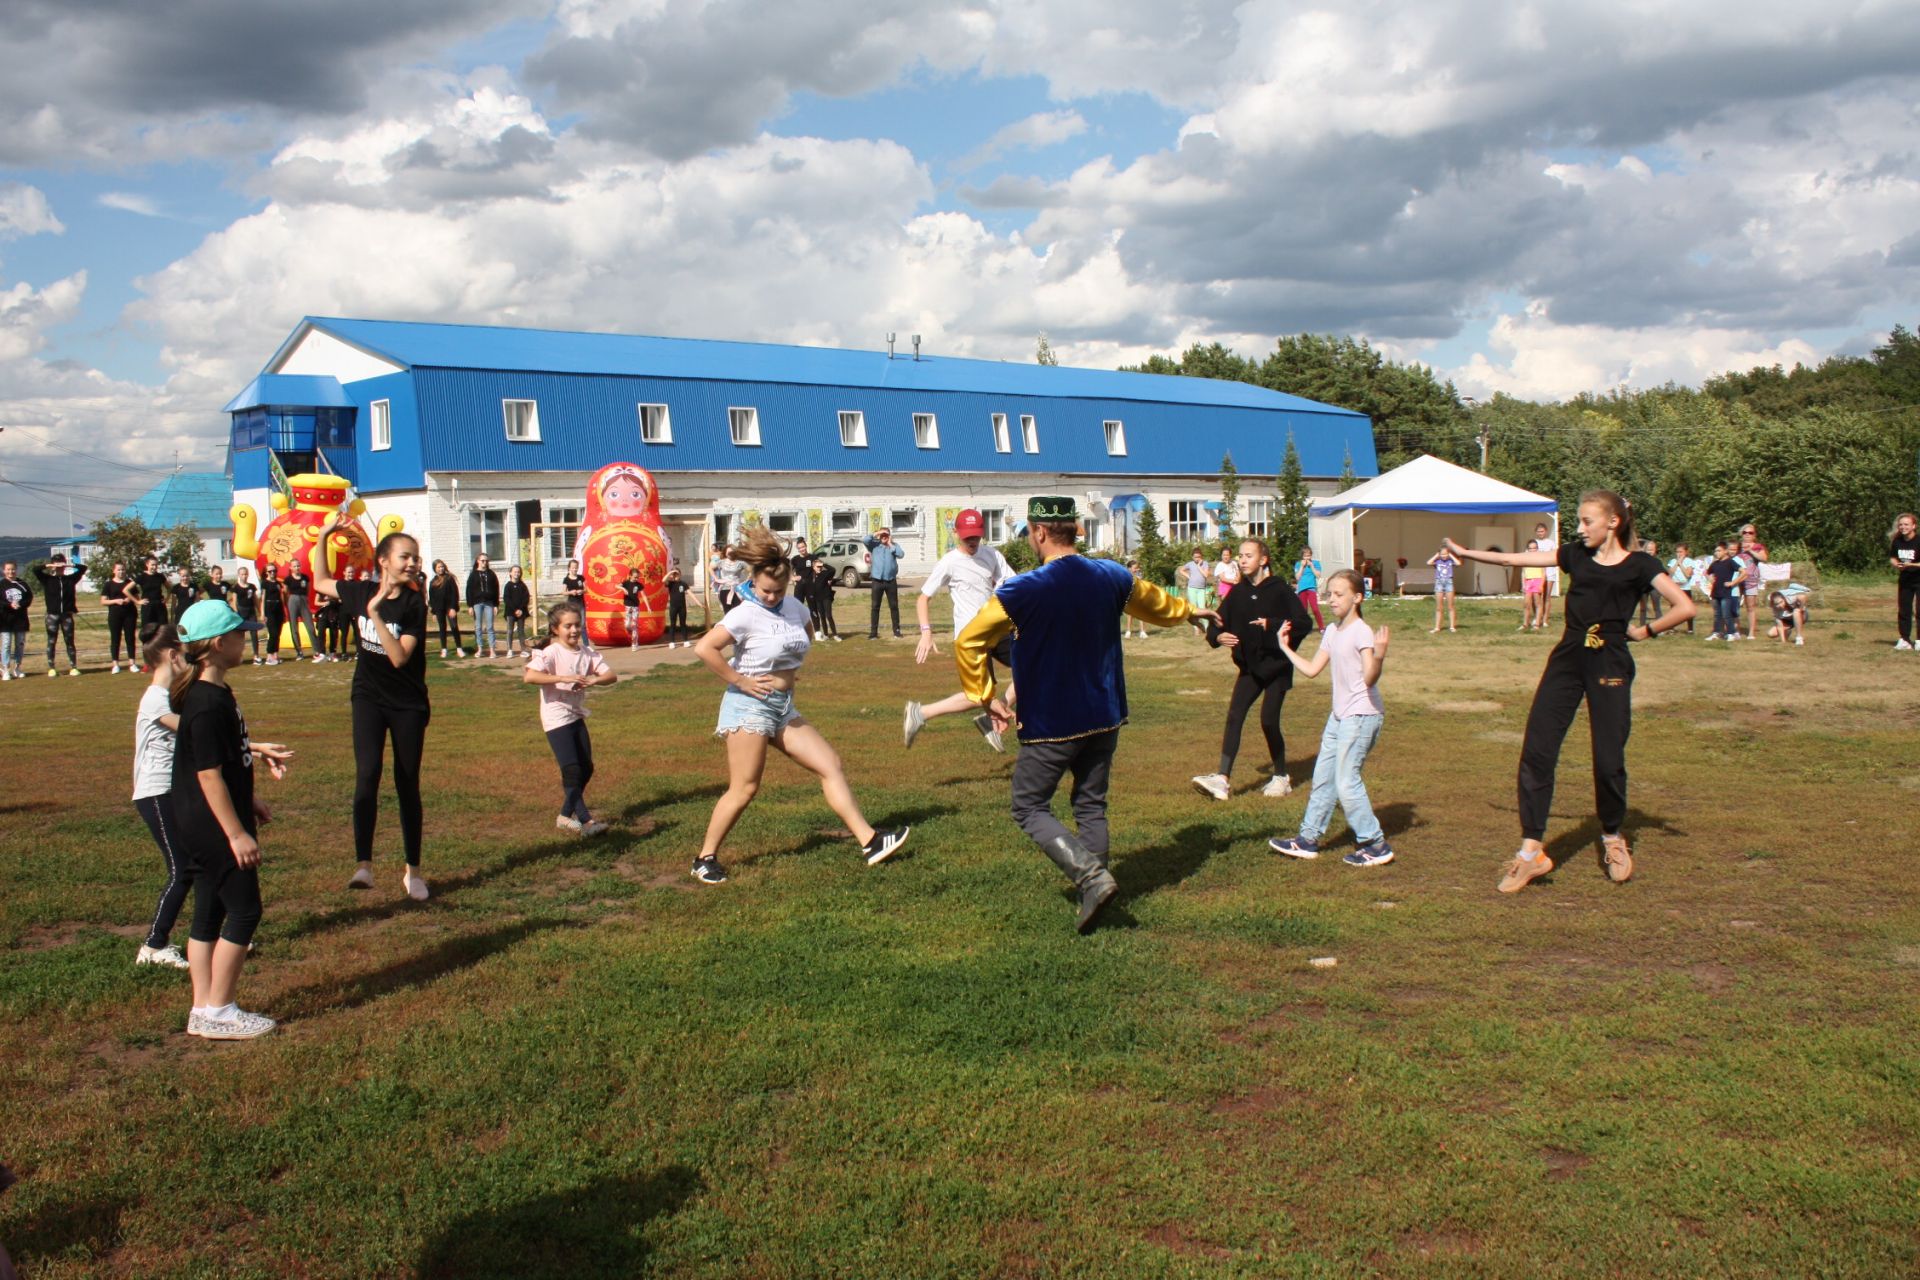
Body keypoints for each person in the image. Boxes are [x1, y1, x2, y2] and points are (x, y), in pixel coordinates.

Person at [955, 496, 1214, 932]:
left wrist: (985, 694)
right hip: (1105, 715)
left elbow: (968, 642)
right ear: (1074, 529)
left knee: (1028, 806)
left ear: (1039, 533)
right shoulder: (1111, 575)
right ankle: (1097, 890)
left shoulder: (1022, 590)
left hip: (1053, 720)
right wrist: (1192, 611)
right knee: (1091, 805)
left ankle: (1091, 878)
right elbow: (1156, 603)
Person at [1442, 490, 1695, 894]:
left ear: (1613, 522)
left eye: (1587, 521)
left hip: (1610, 661)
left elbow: (1685, 606)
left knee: (1608, 758)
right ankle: (1531, 853)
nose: (1579, 529)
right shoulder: (1575, 556)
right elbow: (1514, 560)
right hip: (1567, 658)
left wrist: (1644, 631)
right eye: (1578, 521)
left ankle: (1612, 836)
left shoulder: (1640, 565)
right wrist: (1466, 551)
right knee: (1538, 750)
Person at [688, 525, 909, 884]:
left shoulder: (794, 606)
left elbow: (805, 634)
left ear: (789, 583)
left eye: (778, 590)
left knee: (830, 764)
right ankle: (704, 858)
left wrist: (789, 670)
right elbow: (705, 649)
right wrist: (741, 679)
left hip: (782, 706)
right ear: (753, 583)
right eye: (765, 591)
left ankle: (870, 841)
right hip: (749, 706)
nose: (771, 597)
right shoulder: (745, 613)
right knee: (745, 787)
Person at [169, 599, 290, 1039]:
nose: (248, 637)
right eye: (241, 633)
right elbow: (207, 774)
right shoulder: (205, 703)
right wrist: (237, 832)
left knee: (208, 912)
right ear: (219, 644)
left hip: (204, 823)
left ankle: (203, 1008)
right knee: (245, 911)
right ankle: (220, 1011)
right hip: (214, 827)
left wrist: (250, 798)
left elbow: (229, 760)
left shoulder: (215, 695)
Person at [312, 515, 432, 901]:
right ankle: (363, 865)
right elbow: (319, 581)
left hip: (408, 704)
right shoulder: (358, 590)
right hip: (368, 696)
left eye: (415, 557)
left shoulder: (414, 604)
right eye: (405, 557)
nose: (412, 563)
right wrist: (326, 536)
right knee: (367, 775)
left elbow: (398, 658)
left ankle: (413, 871)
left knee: (406, 782)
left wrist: (376, 614)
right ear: (383, 560)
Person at [1267, 570, 1394, 867]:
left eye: (1339, 594)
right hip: (1339, 717)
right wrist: (1284, 646)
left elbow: (1369, 678)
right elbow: (1312, 670)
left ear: (1357, 598)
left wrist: (1379, 656)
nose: (1331, 599)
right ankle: (1308, 839)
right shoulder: (1333, 631)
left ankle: (1375, 844)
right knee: (1323, 778)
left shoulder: (1361, 631)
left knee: (1347, 781)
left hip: (1362, 715)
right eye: (1329, 594)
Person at [1191, 538, 1316, 801]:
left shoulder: (1280, 589)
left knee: (1268, 720)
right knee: (1235, 715)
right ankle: (1222, 780)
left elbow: (1304, 622)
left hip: (1277, 669)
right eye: (1240, 555)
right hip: (1250, 669)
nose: (1242, 560)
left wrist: (1273, 624)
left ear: (1263, 559)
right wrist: (1217, 638)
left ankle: (1281, 777)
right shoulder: (1237, 593)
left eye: (1249, 555)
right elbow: (1216, 623)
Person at [903, 508, 1014, 752]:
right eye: (967, 537)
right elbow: (923, 598)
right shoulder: (949, 563)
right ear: (956, 533)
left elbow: (1011, 582)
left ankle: (990, 716)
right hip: (970, 639)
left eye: (976, 536)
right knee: (978, 695)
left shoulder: (992, 555)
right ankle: (921, 712)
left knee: (1031, 666)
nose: (972, 541)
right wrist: (926, 632)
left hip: (996, 630)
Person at [524, 601, 617, 835]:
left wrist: (595, 679)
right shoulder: (551, 652)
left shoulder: (586, 652)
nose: (574, 630)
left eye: (577, 625)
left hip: (576, 715)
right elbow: (530, 676)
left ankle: (565, 815)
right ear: (556, 629)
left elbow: (611, 675)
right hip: (555, 716)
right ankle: (586, 822)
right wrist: (564, 677)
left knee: (586, 767)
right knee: (573, 769)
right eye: (568, 626)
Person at [132, 624, 192, 968]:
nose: (189, 659)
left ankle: (217, 935)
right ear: (172, 655)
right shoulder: (156, 697)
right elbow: (193, 731)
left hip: (170, 790)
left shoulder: (167, 695)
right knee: (181, 868)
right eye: (185, 652)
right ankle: (153, 946)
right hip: (155, 793)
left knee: (195, 863)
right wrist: (252, 746)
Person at [32, 553, 84, 676]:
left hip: (66, 615)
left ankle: (73, 667)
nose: (59, 566)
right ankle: (51, 668)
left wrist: (68, 564)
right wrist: (49, 565)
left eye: (61, 563)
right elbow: (36, 570)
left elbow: (83, 568)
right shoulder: (47, 579)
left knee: (69, 641)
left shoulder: (70, 579)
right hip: (52, 615)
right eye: (57, 563)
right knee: (51, 641)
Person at [864, 527, 906, 638]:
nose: (884, 537)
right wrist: (877, 533)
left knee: (894, 606)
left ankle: (896, 631)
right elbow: (865, 540)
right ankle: (873, 633)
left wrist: (890, 544)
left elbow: (901, 554)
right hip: (877, 581)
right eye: (882, 535)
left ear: (889, 536)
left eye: (886, 535)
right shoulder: (874, 545)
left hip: (890, 581)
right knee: (875, 606)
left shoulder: (894, 546)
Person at [102, 563, 140, 674]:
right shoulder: (109, 584)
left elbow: (137, 597)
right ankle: (115, 664)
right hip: (115, 614)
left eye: (123, 570)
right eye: (119, 570)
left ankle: (132, 663)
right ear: (114, 570)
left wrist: (130, 599)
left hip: (130, 614)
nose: (121, 572)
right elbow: (103, 601)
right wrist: (115, 601)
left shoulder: (130, 583)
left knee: (130, 638)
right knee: (115, 639)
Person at [1890, 512, 1919, 650]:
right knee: (1904, 609)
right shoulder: (1897, 541)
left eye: (1906, 524)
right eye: (1901, 524)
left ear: (1914, 526)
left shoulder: (1918, 541)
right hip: (1905, 580)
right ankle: (1905, 639)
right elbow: (1893, 557)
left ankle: (1919, 641)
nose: (1903, 527)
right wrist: (1896, 564)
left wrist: (1911, 565)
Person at [1704, 542, 1742, 641]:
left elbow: (1744, 572)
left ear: (1725, 551)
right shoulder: (1715, 563)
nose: (1716, 553)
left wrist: (1733, 583)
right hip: (1716, 592)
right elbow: (1707, 572)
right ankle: (1716, 632)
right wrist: (1709, 578)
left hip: (1726, 592)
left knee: (1726, 614)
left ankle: (1731, 633)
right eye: (1715, 551)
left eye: (1719, 550)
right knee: (1717, 615)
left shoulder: (1730, 562)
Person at [466, 553, 501, 659]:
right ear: (478, 561)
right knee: (478, 627)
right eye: (482, 560)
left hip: (489, 603)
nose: (484, 563)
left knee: (490, 627)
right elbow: (469, 590)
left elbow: (496, 589)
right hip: (477, 603)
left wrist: (496, 604)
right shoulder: (473, 574)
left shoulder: (491, 574)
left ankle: (492, 650)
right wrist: (470, 606)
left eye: (486, 561)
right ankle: (480, 648)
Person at [1736, 525, 1768, 641]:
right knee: (1735, 605)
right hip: (1737, 579)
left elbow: (1764, 558)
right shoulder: (1737, 546)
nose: (1747, 534)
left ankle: (1751, 632)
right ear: (1741, 534)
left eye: (1750, 532)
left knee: (1750, 606)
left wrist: (1750, 550)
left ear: (1754, 535)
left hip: (1751, 580)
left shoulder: (1758, 546)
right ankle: (1736, 630)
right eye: (1745, 532)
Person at [427, 559, 464, 658]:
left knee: (454, 627)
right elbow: (432, 598)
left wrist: (453, 607)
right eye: (439, 567)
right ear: (435, 569)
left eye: (442, 566)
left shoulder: (449, 579)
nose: (441, 569)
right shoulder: (433, 582)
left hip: (449, 607)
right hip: (439, 608)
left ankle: (459, 648)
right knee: (442, 628)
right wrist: (433, 612)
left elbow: (454, 594)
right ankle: (444, 649)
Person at [0, 563, 30, 681]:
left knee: (20, 644)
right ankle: (6, 669)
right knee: (6, 644)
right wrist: (9, 604)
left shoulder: (22, 584)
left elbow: (29, 598)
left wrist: (20, 604)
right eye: (8, 570)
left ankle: (17, 668)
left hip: (20, 620)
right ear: (4, 570)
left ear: (16, 570)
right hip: (5, 620)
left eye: (13, 569)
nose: (10, 572)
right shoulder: (1, 585)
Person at [1665, 543, 1701, 635]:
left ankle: (1690, 629)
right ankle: (1672, 628)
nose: (1679, 554)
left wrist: (1681, 564)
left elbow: (1688, 574)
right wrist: (1677, 562)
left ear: (1686, 552)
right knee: (1673, 609)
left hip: (1685, 588)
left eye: (1681, 552)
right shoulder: (1672, 561)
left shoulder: (1689, 561)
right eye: (1677, 552)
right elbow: (1670, 573)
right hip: (1675, 588)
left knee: (1688, 608)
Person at [282, 560, 315, 659]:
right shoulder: (288, 579)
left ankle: (317, 650)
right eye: (294, 566)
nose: (297, 568)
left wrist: (304, 599)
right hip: (292, 600)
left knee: (310, 626)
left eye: (298, 566)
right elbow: (285, 592)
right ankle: (299, 651)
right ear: (291, 568)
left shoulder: (305, 578)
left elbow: (308, 590)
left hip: (303, 600)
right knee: (294, 627)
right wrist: (289, 603)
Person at [231, 567, 262, 665]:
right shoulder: (236, 587)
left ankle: (256, 656)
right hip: (241, 612)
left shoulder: (251, 587)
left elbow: (256, 600)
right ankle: (238, 656)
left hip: (251, 612)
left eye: (245, 574)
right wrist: (236, 613)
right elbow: (234, 601)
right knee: (240, 636)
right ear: (239, 575)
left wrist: (261, 612)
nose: (244, 576)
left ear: (248, 575)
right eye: (242, 574)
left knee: (254, 633)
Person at [1427, 543, 1460, 633]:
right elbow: (1428, 562)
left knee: (1450, 606)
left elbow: (1458, 563)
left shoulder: (1450, 561)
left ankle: (1452, 626)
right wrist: (1437, 555)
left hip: (1449, 582)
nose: (1444, 556)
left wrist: (1451, 556)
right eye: (1442, 554)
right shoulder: (1437, 562)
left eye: (1446, 554)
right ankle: (1437, 627)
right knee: (1439, 607)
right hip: (1439, 583)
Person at [809, 554, 841, 641]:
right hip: (818, 599)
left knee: (829, 615)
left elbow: (833, 570)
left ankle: (835, 635)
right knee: (822, 616)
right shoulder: (812, 576)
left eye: (820, 567)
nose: (819, 568)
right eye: (817, 567)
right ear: (813, 567)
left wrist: (823, 564)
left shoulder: (825, 573)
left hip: (826, 598)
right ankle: (826, 634)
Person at [503, 565, 532, 658]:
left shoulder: (522, 585)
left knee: (521, 631)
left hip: (521, 612)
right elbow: (507, 599)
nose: (516, 573)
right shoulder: (508, 586)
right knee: (510, 631)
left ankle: (523, 650)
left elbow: (526, 598)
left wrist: (520, 609)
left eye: (518, 572)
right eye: (515, 571)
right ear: (510, 573)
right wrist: (515, 609)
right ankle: (509, 650)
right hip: (510, 612)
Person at [262, 565, 288, 665]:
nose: (272, 573)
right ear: (266, 572)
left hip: (279, 608)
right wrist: (263, 613)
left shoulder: (278, 583)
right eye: (270, 571)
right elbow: (263, 598)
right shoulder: (265, 583)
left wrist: (284, 612)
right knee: (272, 633)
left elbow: (282, 598)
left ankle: (276, 655)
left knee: (278, 633)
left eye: (274, 571)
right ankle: (269, 655)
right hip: (269, 608)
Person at [1535, 521, 1559, 627]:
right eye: (1538, 531)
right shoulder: (1534, 543)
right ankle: (1537, 618)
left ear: (1546, 531)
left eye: (1542, 531)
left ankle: (1545, 620)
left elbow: (1555, 556)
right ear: (1536, 532)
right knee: (1537, 596)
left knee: (1547, 596)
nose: (1540, 533)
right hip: (1537, 572)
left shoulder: (1551, 543)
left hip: (1550, 572)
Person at [1293, 547, 1325, 629]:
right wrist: (1302, 567)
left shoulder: (1316, 563)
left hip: (1311, 588)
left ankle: (1321, 628)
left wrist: (1312, 566)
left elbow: (1318, 575)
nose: (1307, 558)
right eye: (1305, 556)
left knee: (1315, 609)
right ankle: (1305, 628)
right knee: (1304, 610)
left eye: (1309, 555)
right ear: (1302, 556)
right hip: (1301, 589)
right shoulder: (1298, 564)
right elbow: (1297, 577)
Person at [135, 557, 168, 632]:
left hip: (160, 606)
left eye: (156, 565)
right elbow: (126, 590)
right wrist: (137, 601)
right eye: (152, 565)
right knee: (147, 630)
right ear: (147, 565)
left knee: (162, 630)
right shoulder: (142, 577)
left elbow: (169, 588)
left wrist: (166, 598)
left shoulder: (160, 576)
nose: (154, 567)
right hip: (147, 606)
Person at [709, 545, 745, 612]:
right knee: (727, 611)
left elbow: (751, 570)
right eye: (728, 552)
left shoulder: (740, 563)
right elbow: (710, 568)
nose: (729, 554)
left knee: (737, 611)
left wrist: (747, 581)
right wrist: (716, 578)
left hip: (737, 590)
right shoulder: (721, 562)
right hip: (724, 589)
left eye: (731, 552)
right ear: (725, 553)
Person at [664, 566, 691, 648]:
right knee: (673, 624)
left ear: (680, 574)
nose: (676, 576)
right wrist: (671, 573)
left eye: (677, 574)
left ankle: (686, 640)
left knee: (683, 623)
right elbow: (663, 580)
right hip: (673, 607)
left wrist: (698, 603)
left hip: (682, 607)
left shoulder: (683, 583)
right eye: (674, 574)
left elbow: (690, 593)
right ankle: (672, 642)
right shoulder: (670, 583)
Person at [619, 567, 644, 649]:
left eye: (637, 577)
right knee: (627, 625)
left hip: (635, 607)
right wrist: (623, 589)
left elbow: (643, 595)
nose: (636, 579)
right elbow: (617, 586)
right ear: (630, 576)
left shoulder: (639, 585)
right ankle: (631, 632)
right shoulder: (626, 583)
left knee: (634, 625)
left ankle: (634, 644)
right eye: (635, 577)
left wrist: (648, 606)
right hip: (627, 606)